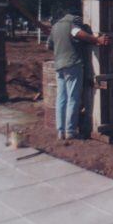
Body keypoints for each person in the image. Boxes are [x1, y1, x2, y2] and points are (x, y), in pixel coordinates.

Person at [47, 10, 109, 140]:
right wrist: (97, 39)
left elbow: (49, 45)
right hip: (72, 65)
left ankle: (60, 131)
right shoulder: (72, 24)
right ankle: (70, 131)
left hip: (59, 66)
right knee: (73, 98)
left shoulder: (55, 27)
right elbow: (78, 33)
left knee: (61, 98)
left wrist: (62, 48)